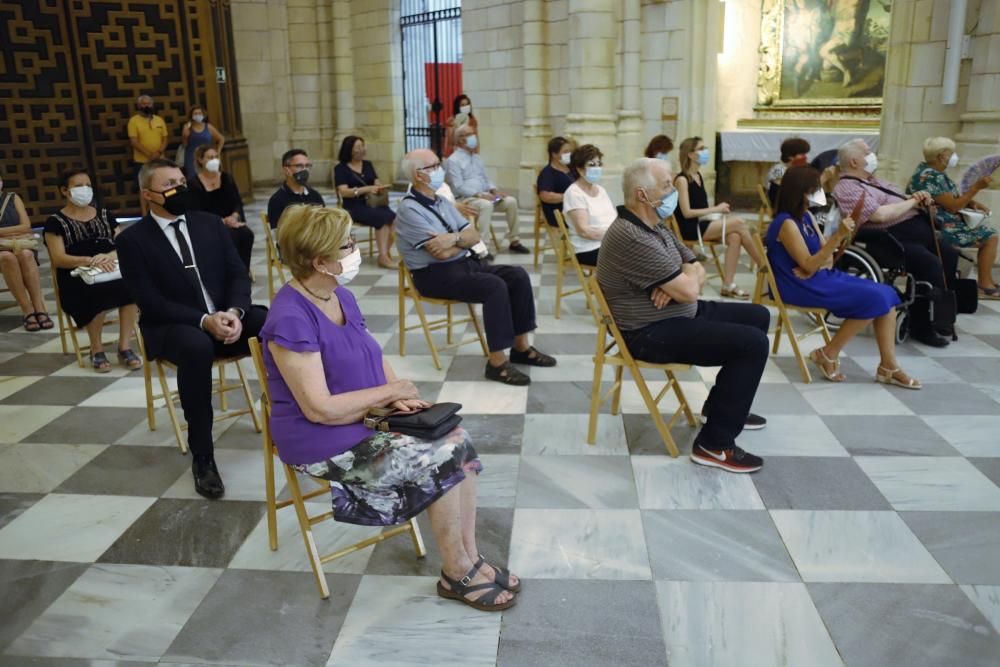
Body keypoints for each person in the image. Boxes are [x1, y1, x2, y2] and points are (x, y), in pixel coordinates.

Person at [260, 203, 518, 611]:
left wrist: (396, 392)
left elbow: (372, 354)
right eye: (345, 245)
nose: (354, 250)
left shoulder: (339, 294)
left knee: (456, 437)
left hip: (365, 415)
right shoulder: (291, 317)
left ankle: (470, 556)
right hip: (322, 438)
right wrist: (387, 394)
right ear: (319, 261)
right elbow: (319, 410)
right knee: (436, 457)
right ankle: (455, 572)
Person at [597, 158, 768, 474]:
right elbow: (689, 290)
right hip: (649, 332)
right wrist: (684, 282)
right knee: (752, 344)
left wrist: (684, 277)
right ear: (642, 194)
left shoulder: (654, 225)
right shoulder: (630, 235)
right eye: (666, 185)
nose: (673, 190)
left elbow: (695, 261)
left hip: (678, 314)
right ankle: (714, 445)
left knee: (757, 316)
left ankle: (719, 410)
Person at [116, 159, 267, 499]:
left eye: (182, 181)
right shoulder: (133, 240)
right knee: (197, 346)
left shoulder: (210, 224)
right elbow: (150, 301)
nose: (180, 189)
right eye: (170, 184)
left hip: (224, 318)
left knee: (270, 321)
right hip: (173, 327)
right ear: (148, 194)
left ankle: (293, 414)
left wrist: (234, 312)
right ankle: (203, 456)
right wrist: (204, 321)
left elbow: (238, 274)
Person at [397, 149, 556, 386]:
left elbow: (472, 235)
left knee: (517, 275)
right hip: (434, 276)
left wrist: (452, 240)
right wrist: (459, 241)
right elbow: (437, 253)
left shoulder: (441, 201)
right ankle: (497, 363)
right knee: (494, 286)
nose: (439, 169)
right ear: (418, 175)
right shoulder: (408, 209)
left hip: (463, 264)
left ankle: (521, 348)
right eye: (433, 166)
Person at [766, 166, 920, 388]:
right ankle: (828, 353)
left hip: (817, 276)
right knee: (874, 299)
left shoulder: (807, 216)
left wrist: (817, 261)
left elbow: (824, 260)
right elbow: (810, 263)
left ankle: (888, 365)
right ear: (801, 191)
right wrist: (833, 241)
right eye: (814, 189)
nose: (819, 193)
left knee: (887, 294)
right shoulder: (786, 223)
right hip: (796, 284)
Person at [833, 138, 959, 348]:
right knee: (929, 265)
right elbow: (880, 215)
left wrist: (919, 200)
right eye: (867, 152)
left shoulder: (875, 181)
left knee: (950, 256)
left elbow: (901, 200)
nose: (872, 155)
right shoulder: (847, 187)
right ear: (854, 162)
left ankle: (941, 315)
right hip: (887, 238)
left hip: (913, 230)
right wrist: (913, 201)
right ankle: (921, 326)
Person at [44, 168, 141, 372]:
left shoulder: (106, 215)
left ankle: (125, 347)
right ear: (64, 190)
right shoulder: (55, 222)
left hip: (111, 268)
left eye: (88, 185)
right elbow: (59, 258)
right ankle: (96, 350)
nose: (85, 190)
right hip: (76, 275)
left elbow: (122, 244)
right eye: (79, 186)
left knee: (131, 288)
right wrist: (90, 261)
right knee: (96, 293)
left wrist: (109, 256)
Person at [907, 136, 997, 298]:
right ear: (942, 156)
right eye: (952, 153)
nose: (954, 157)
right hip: (938, 225)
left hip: (944, 219)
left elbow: (949, 196)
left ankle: (986, 280)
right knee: (990, 236)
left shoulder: (932, 171)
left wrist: (971, 203)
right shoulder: (931, 176)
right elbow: (953, 205)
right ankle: (985, 283)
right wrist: (976, 187)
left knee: (989, 232)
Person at [674, 136, 762, 299]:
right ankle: (764, 267)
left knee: (735, 237)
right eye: (701, 149)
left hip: (702, 224)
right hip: (689, 228)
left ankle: (728, 285)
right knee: (740, 223)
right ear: (691, 155)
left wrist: (715, 212)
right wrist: (716, 208)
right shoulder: (682, 180)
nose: (705, 151)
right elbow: (686, 212)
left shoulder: (698, 176)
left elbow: (701, 208)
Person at [445, 124, 528, 254]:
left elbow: (485, 178)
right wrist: (479, 195)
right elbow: (458, 186)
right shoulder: (453, 160)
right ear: (461, 139)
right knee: (486, 205)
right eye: (470, 134)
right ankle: (483, 248)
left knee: (511, 201)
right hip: (467, 200)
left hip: (485, 196)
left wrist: (494, 190)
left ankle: (514, 240)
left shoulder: (477, 158)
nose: (474, 137)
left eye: (474, 133)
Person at [333, 135, 395, 269]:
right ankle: (383, 256)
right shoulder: (341, 168)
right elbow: (343, 191)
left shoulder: (367, 164)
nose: (361, 150)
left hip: (372, 203)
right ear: (349, 150)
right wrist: (365, 189)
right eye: (357, 147)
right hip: (354, 206)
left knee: (395, 219)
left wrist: (379, 187)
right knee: (382, 219)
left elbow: (375, 181)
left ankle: (383, 252)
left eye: (362, 146)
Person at [188, 145, 254, 270]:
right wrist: (222, 221)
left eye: (216, 157)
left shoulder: (227, 178)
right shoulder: (193, 184)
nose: (214, 160)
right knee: (230, 237)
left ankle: (243, 271)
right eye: (210, 157)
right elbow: (196, 212)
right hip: (209, 225)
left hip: (231, 222)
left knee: (246, 234)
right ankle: (229, 272)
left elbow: (237, 203)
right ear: (201, 160)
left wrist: (234, 216)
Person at [0, 176, 52, 331]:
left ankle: (39, 307)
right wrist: (12, 233)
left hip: (22, 243)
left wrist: (2, 232)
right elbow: (20, 228)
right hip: (2, 250)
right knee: (7, 257)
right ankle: (27, 310)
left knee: (26, 255)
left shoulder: (13, 197)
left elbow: (26, 226)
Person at [562, 144, 617, 266]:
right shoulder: (574, 193)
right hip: (588, 248)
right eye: (592, 165)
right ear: (580, 169)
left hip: (609, 243)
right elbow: (584, 231)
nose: (597, 168)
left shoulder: (601, 190)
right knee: (635, 259)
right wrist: (614, 236)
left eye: (598, 164)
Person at [267, 149, 325, 230]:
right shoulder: (277, 200)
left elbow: (324, 224)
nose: (304, 170)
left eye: (307, 166)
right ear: (286, 170)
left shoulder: (315, 196)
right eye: (299, 166)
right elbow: (277, 233)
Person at [127, 95, 167, 206]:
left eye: (149, 103)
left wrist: (158, 153)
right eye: (144, 103)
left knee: (162, 186)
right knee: (144, 189)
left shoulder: (159, 120)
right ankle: (145, 215)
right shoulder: (133, 121)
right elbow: (134, 142)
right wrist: (149, 155)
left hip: (160, 160)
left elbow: (165, 139)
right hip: (141, 162)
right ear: (139, 106)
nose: (147, 106)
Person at [536, 136, 575, 227]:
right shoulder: (548, 173)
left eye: (570, 151)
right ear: (554, 154)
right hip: (560, 214)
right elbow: (545, 196)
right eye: (565, 152)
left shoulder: (572, 168)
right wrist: (569, 196)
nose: (569, 154)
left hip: (575, 209)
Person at [181, 105, 224, 179]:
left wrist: (218, 151)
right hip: (191, 158)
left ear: (203, 115)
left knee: (209, 177)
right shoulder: (188, 127)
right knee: (194, 179)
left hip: (208, 157)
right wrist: (185, 132)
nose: (198, 115)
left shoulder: (209, 127)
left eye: (199, 113)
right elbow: (184, 143)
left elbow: (221, 139)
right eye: (195, 113)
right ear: (191, 116)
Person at [765, 137, 811, 204]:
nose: (805, 157)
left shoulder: (795, 168)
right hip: (783, 206)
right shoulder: (779, 169)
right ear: (790, 156)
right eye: (802, 154)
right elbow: (782, 194)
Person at [443, 93, 478, 158]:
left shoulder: (472, 121)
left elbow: (476, 139)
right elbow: (450, 142)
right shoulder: (451, 121)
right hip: (457, 154)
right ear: (458, 107)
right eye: (462, 105)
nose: (466, 107)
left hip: (470, 153)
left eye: (467, 104)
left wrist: (476, 153)